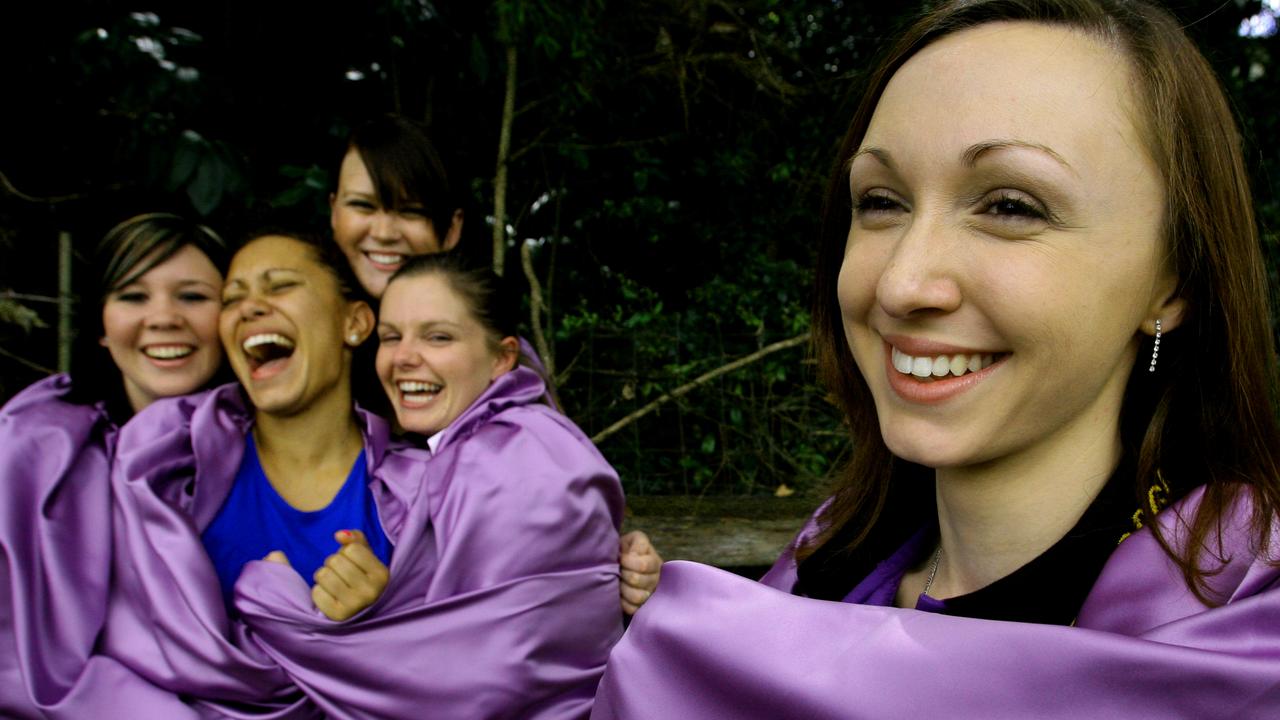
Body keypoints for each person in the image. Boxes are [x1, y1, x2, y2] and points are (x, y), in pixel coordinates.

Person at [591, 1, 1280, 717]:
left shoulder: (1243, 632)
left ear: (1175, 284)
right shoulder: (820, 562)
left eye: (1011, 206)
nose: (900, 283)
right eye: (882, 201)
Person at [96, 231, 623, 718]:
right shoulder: (162, 470)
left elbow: (487, 665)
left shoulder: (430, 494)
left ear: (355, 324)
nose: (251, 305)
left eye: (280, 286)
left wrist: (373, 616)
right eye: (232, 298)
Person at [331, 114, 662, 611]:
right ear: (333, 211)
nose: (384, 231)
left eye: (411, 211)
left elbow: (550, 502)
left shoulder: (503, 371)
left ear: (452, 228)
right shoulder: (301, 343)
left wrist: (622, 560)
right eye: (363, 206)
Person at [0, 213, 228, 717]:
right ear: (101, 324)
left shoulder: (274, 455)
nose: (164, 317)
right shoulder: (31, 448)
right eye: (132, 296)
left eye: (192, 296)